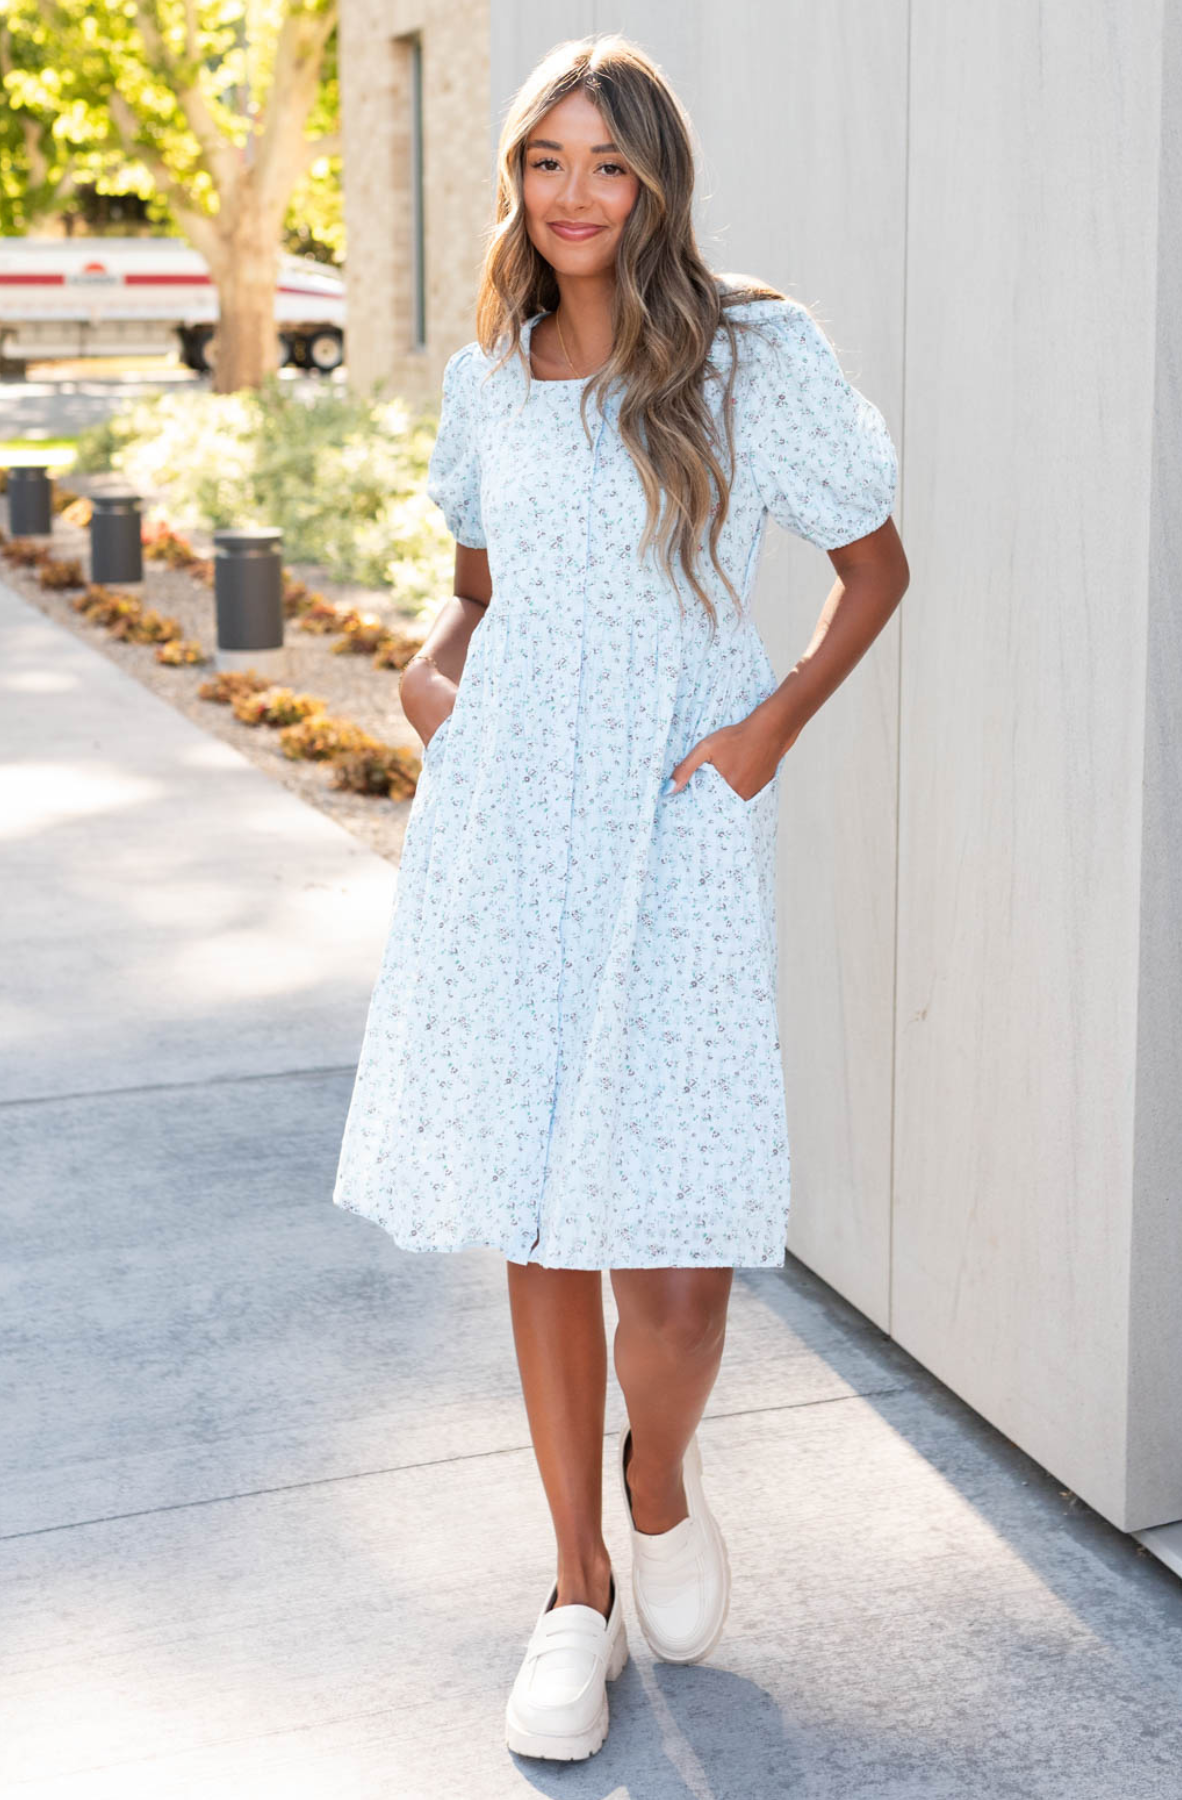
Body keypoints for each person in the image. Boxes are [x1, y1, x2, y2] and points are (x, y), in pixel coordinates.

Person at [332, 31, 909, 1762]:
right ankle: (570, 1586)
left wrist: (765, 733)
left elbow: (874, 566)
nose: (573, 196)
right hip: (513, 829)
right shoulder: (492, 375)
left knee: (679, 1273)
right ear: (515, 181)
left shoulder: (747, 354)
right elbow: (470, 600)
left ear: (653, 183)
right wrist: (429, 690)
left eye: (608, 164)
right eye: (545, 162)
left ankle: (658, 1475)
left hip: (673, 815)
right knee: (545, 1210)